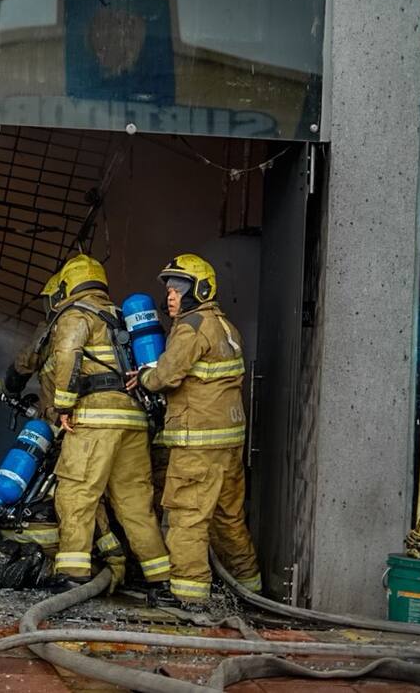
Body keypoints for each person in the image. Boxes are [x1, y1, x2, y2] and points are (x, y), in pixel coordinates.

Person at [2, 253, 169, 591]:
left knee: (76, 495)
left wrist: (62, 406)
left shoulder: (75, 314)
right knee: (136, 504)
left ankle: (73, 574)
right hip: (132, 422)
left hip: (93, 420)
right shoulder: (120, 317)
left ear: (67, 285)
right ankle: (160, 579)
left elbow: (66, 356)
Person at [133, 254, 261, 607]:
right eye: (169, 288)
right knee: (229, 521)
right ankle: (252, 590)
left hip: (197, 446)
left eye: (178, 287)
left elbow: (165, 375)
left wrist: (144, 375)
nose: (171, 295)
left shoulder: (191, 325)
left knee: (186, 518)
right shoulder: (226, 327)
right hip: (228, 445)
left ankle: (188, 594)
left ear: (200, 289)